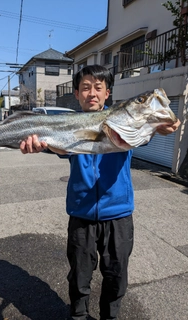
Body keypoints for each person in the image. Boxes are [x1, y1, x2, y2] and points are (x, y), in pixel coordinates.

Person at [20, 65, 180, 320]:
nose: (91, 93)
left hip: (119, 215)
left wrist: (162, 124)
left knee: (116, 277)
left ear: (108, 94)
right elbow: (57, 146)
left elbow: (150, 128)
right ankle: (79, 317)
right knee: (79, 278)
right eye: (85, 88)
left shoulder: (124, 120)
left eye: (98, 88)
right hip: (81, 214)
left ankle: (110, 318)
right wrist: (38, 145)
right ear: (76, 93)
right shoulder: (68, 122)